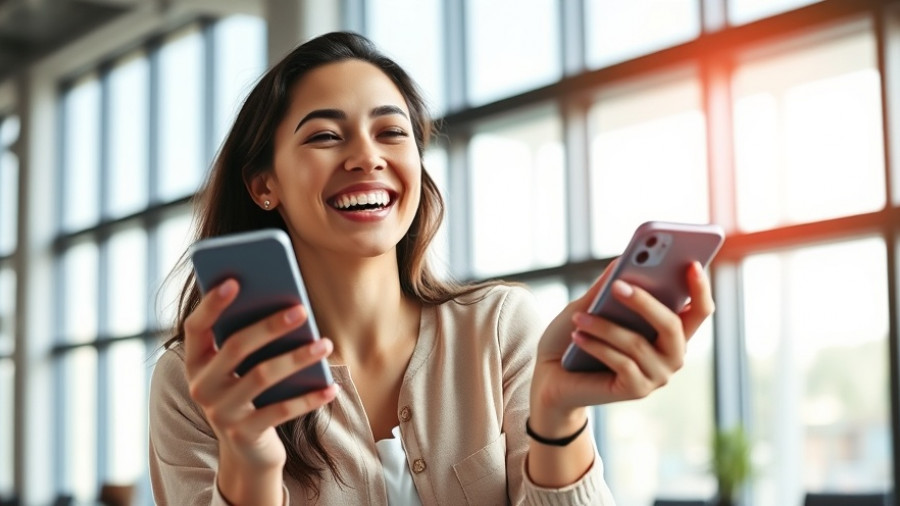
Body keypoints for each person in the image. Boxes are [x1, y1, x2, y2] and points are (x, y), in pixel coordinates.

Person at [148, 31, 716, 506]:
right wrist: (251, 460)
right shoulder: (199, 380)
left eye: (392, 132)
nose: (367, 156)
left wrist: (557, 410)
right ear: (264, 184)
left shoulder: (497, 329)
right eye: (325, 135)